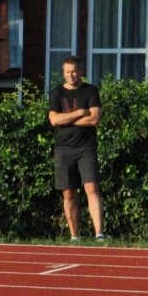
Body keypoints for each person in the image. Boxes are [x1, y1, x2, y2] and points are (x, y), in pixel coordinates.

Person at [48, 55, 106, 242]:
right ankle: (75, 236)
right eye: (67, 72)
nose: (70, 75)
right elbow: (54, 120)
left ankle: (99, 234)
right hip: (63, 148)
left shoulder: (90, 91)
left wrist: (67, 119)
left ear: (81, 71)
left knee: (92, 188)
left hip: (86, 148)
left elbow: (95, 119)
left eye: (73, 71)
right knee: (68, 192)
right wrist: (81, 112)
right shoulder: (56, 92)